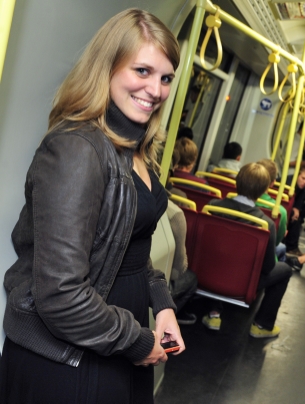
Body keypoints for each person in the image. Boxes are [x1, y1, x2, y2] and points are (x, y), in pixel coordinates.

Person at [0, 9, 184, 403]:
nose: (155, 89)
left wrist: (162, 304)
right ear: (108, 68)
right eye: (142, 71)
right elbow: (61, 295)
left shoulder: (138, 149)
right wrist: (137, 340)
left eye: (166, 77)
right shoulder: (76, 149)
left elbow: (130, 252)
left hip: (115, 341)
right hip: (67, 359)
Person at [206, 163, 293, 338]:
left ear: (237, 181)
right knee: (285, 269)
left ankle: (213, 312)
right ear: (263, 191)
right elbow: (268, 267)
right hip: (242, 280)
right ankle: (262, 325)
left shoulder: (213, 206)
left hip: (209, 271)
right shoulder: (265, 224)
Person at [166, 200, 199, 325]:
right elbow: (177, 271)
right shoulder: (174, 214)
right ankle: (170, 318)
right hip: (153, 282)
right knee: (191, 278)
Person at [282, 166, 305, 256]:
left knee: (297, 218)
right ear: (297, 175)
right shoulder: (287, 182)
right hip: (281, 205)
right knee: (295, 219)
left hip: (288, 206)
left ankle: (291, 246)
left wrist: (296, 208)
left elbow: (299, 198)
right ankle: (291, 247)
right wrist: (292, 209)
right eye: (303, 178)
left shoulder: (301, 187)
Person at [257, 159, 288, 247]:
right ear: (272, 183)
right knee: (282, 247)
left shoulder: (232, 198)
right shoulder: (280, 211)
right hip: (263, 252)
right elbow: (276, 242)